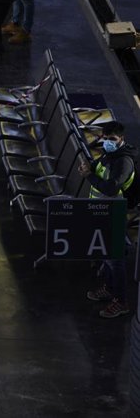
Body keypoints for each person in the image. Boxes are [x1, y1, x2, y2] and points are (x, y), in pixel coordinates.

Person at [79, 121, 137, 318]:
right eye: (105, 138)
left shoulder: (123, 162)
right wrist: (89, 167)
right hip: (101, 211)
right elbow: (96, 168)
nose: (107, 142)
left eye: (112, 139)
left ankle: (121, 301)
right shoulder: (108, 154)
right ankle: (110, 289)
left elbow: (111, 188)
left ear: (121, 139)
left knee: (115, 259)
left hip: (114, 213)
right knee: (106, 254)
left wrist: (89, 176)